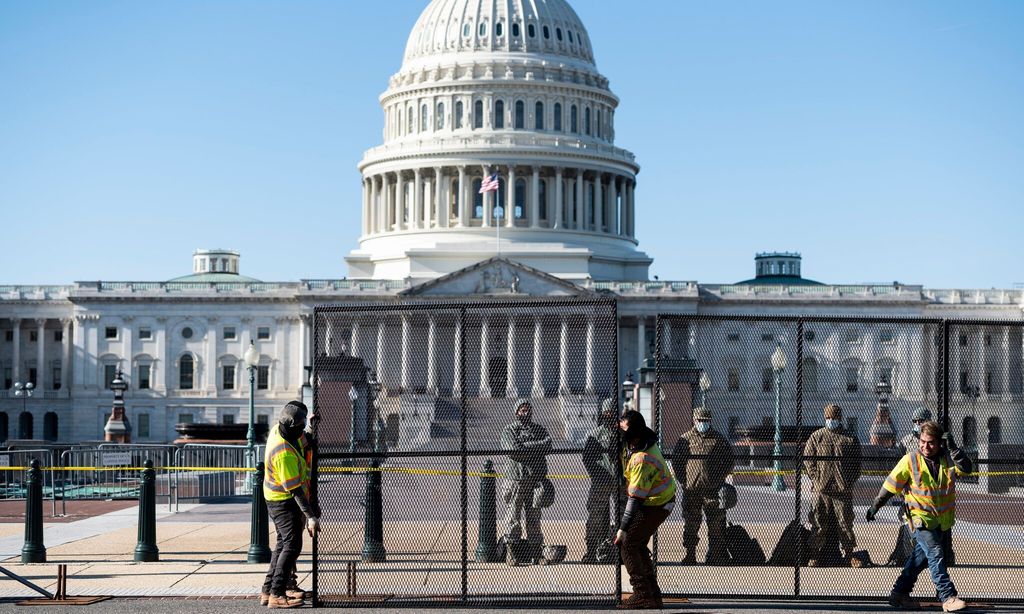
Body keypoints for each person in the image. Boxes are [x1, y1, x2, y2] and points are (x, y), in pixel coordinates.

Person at [865, 420, 971, 612]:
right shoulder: (910, 459)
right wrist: (875, 505)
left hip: (939, 520)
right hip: (917, 519)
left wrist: (954, 448)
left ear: (940, 443)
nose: (925, 446)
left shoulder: (948, 458)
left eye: (930, 442)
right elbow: (891, 485)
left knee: (920, 559)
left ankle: (899, 594)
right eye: (922, 441)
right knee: (936, 552)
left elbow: (967, 469)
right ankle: (947, 597)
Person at [613, 410, 676, 610]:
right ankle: (652, 594)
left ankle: (642, 594)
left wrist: (622, 528)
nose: (620, 433)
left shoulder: (643, 459)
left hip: (656, 503)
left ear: (634, 435)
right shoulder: (639, 442)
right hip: (655, 501)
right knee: (638, 544)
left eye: (624, 429)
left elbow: (635, 500)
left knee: (628, 544)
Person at [261, 401, 319, 609]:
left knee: (282, 544)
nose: (303, 431)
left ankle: (269, 591)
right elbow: (295, 490)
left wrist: (310, 427)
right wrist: (311, 516)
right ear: (293, 425)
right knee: (292, 546)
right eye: (302, 426)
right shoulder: (283, 452)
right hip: (283, 501)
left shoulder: (281, 429)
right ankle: (277, 594)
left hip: (277, 498)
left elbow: (304, 442)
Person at [671, 406, 734, 565]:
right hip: (691, 490)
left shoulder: (718, 439)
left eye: (706, 421)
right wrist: (684, 481)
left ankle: (715, 556)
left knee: (716, 525)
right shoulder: (686, 439)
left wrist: (720, 478)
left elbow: (729, 461)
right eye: (700, 420)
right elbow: (677, 462)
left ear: (710, 421)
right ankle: (690, 554)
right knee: (691, 524)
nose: (703, 423)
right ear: (694, 420)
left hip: (712, 491)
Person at [803, 403, 863, 567]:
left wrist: (848, 481)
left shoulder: (849, 438)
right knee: (818, 521)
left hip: (842, 490)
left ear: (839, 418)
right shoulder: (817, 437)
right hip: (821, 489)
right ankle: (814, 555)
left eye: (834, 418)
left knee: (845, 523)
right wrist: (816, 478)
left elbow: (857, 464)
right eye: (828, 418)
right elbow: (809, 460)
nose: (831, 421)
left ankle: (850, 555)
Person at [500, 399, 552, 565]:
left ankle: (537, 553)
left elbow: (548, 444)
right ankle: (511, 553)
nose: (526, 412)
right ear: (516, 412)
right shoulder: (509, 430)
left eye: (528, 409)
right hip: (516, 479)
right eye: (522, 410)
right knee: (513, 516)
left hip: (534, 480)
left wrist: (525, 447)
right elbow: (513, 450)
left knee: (534, 517)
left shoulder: (538, 429)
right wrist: (536, 449)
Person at [582, 398, 619, 563]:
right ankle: (591, 550)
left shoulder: (625, 433)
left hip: (621, 481)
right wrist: (598, 474)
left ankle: (623, 551)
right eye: (606, 413)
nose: (609, 415)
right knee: (595, 515)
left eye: (612, 412)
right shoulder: (596, 434)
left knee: (625, 516)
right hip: (601, 480)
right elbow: (587, 458)